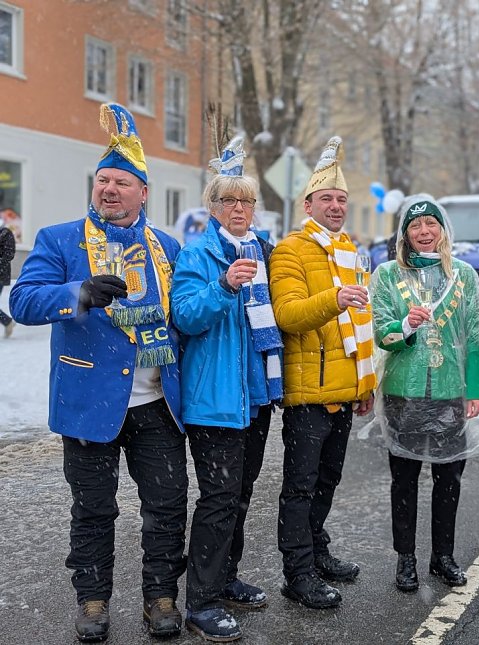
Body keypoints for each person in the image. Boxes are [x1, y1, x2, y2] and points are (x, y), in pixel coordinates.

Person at [9, 104, 187, 641]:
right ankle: (92, 601)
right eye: (102, 180)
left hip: (156, 401)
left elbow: (187, 314)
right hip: (89, 398)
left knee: (167, 505)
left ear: (142, 193)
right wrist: (78, 293)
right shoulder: (61, 239)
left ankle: (160, 596)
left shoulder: (168, 248)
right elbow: (22, 300)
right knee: (92, 511)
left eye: (121, 182)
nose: (109, 189)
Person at [170, 136, 282, 641]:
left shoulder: (262, 250)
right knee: (217, 498)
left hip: (255, 396)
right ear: (213, 207)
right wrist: (224, 287)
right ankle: (202, 600)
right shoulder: (199, 254)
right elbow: (186, 317)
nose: (239, 208)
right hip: (215, 399)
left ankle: (226, 575)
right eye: (228, 200)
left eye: (246, 201)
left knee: (239, 494)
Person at [370, 193, 479, 592]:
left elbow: (476, 337)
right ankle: (405, 558)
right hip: (402, 391)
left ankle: (442, 556)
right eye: (415, 226)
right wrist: (405, 326)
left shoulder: (463, 275)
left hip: (450, 390)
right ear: (405, 235)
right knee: (404, 479)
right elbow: (381, 332)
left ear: (443, 230)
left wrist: (475, 389)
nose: (424, 232)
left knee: (449, 479)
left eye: (431, 224)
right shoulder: (388, 275)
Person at [269, 136, 375, 609]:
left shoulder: (350, 248)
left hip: (343, 387)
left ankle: (317, 552)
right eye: (326, 199)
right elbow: (288, 316)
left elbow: (361, 324)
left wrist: (365, 383)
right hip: (308, 391)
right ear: (307, 204)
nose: (335, 206)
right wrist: (334, 298)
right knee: (300, 484)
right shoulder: (291, 250)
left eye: (341, 200)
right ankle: (297, 573)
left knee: (328, 480)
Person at [0, 218, 14, 337]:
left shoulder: (5, 233)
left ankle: (7, 321)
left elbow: (9, 254)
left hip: (0, 274)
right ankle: (7, 321)